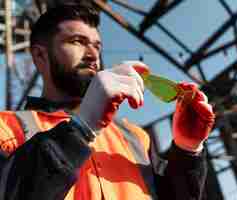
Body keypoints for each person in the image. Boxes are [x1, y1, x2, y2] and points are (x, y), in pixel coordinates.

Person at [0, 4, 215, 200]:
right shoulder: (6, 127)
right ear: (40, 55)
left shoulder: (135, 136)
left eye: (97, 45)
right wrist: (81, 129)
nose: (93, 54)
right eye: (77, 41)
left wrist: (187, 151)